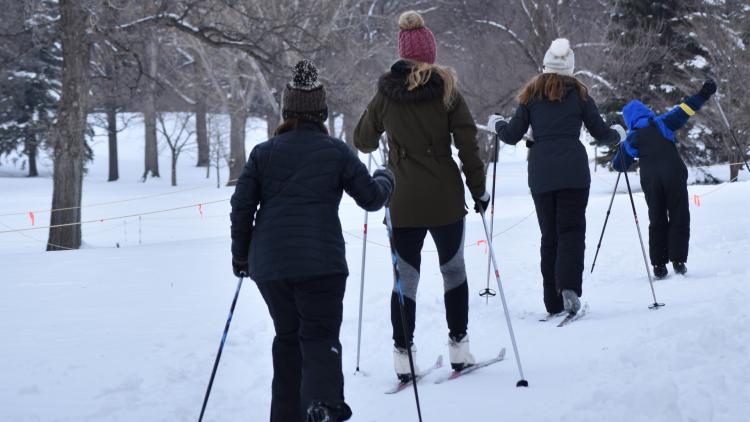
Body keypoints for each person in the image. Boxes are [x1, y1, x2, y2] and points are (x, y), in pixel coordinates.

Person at [230, 60, 394, 422]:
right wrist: (386, 178)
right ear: (321, 112)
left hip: (271, 266)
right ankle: (322, 406)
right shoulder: (334, 150)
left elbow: (241, 207)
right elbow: (371, 198)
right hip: (322, 263)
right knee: (319, 336)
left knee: (288, 339)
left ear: (286, 111)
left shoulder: (263, 153)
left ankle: (287, 415)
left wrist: (241, 256)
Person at [354, 11, 488, 381]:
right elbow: (468, 146)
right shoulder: (447, 92)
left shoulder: (386, 96)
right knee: (453, 270)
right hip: (445, 196)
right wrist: (479, 190)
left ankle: (403, 355)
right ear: (430, 54)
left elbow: (362, 139)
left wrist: (378, 105)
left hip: (402, 199)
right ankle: (459, 348)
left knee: (405, 277)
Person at [487, 38, 624, 316]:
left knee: (549, 236)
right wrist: (618, 133)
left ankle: (552, 300)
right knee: (572, 232)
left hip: (542, 174)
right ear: (570, 68)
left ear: (546, 65)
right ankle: (569, 288)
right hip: (574, 172)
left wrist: (497, 123)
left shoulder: (531, 95)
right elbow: (600, 135)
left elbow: (512, 135)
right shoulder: (581, 95)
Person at [612, 80, 717, 279]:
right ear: (646, 111)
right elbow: (686, 108)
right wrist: (704, 93)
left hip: (651, 180)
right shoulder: (662, 122)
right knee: (679, 214)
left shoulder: (632, 139)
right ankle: (678, 260)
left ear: (629, 121)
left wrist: (621, 142)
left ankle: (659, 265)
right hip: (674, 173)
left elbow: (618, 165)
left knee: (657, 218)